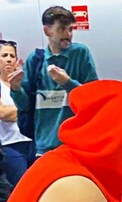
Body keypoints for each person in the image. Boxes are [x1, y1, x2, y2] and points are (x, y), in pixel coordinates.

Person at [9, 6, 97, 156]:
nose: (68, 35)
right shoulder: (35, 60)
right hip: (44, 147)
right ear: (47, 31)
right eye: (62, 29)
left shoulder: (81, 53)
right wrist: (16, 89)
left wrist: (67, 82)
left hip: (76, 146)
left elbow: (93, 98)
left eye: (71, 29)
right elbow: (25, 105)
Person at [0, 40, 33, 185]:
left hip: (31, 143)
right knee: (22, 186)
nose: (9, 59)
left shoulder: (25, 84)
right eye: (4, 55)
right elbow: (1, 113)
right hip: (9, 146)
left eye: (12, 56)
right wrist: (25, 111)